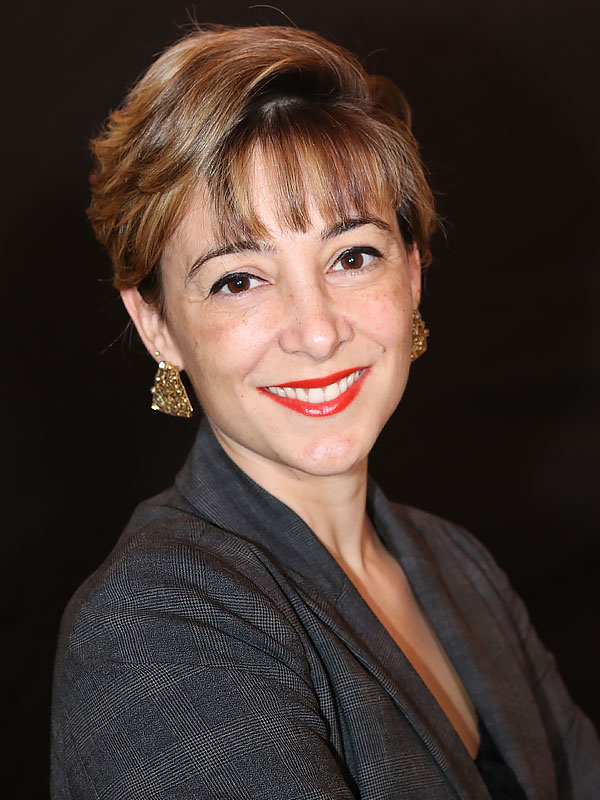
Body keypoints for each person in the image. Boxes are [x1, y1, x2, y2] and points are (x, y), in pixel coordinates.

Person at [51, 24, 600, 799]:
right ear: (157, 325)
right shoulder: (149, 627)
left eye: (352, 256)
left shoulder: (458, 566)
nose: (316, 332)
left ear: (413, 272)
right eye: (238, 279)